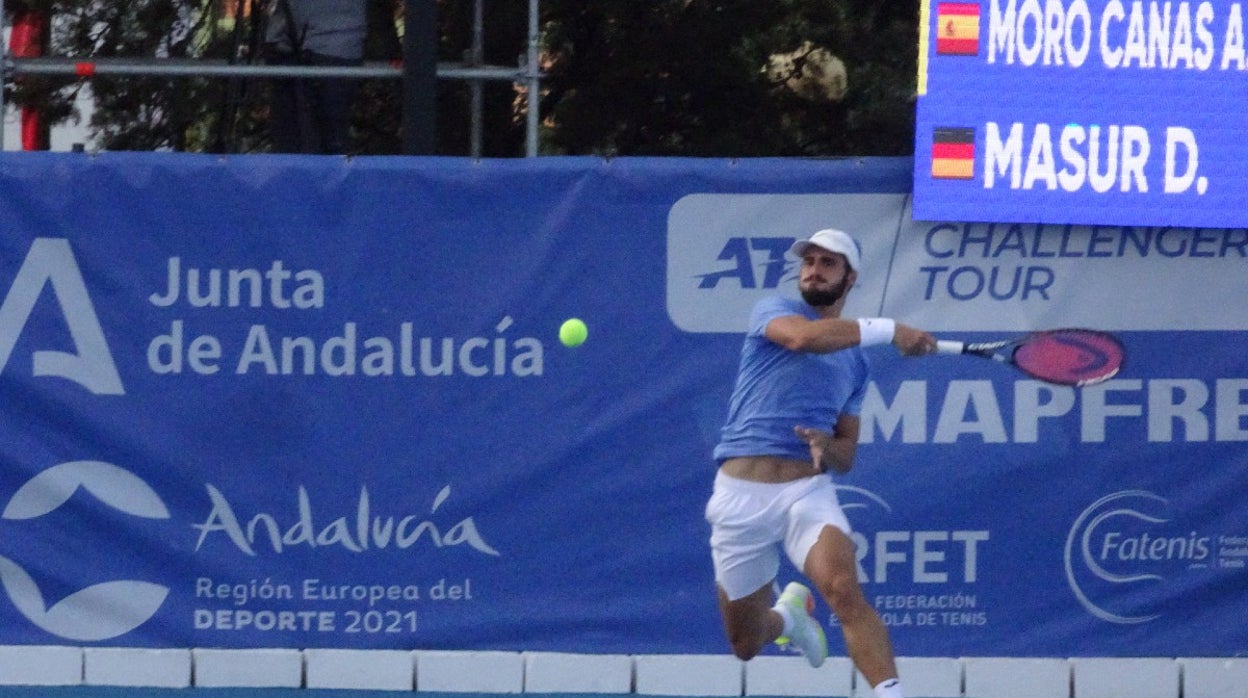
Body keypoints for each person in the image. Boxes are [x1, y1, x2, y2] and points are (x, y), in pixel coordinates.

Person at [705, 228, 937, 698]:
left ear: (850, 277)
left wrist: (827, 449)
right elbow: (804, 340)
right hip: (740, 497)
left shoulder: (857, 364)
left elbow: (846, 454)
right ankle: (789, 617)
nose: (813, 269)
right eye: (808, 261)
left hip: (805, 494)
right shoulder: (774, 311)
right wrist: (892, 330)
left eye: (828, 263)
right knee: (745, 643)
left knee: (843, 590)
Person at [264, 0, 367, 153]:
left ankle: (323, 170)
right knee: (299, 137)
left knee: (324, 136)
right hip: (302, 48)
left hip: (327, 49)